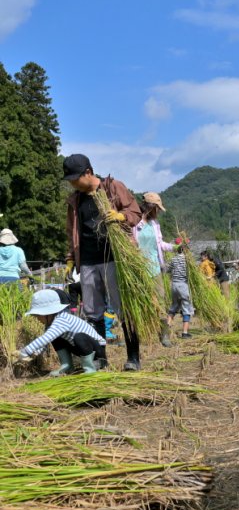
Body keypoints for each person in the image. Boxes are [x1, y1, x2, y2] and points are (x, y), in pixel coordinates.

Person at [62, 153, 142, 371]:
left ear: (88, 172)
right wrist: (71, 259)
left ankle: (133, 357)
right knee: (93, 312)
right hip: (87, 261)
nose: (72, 183)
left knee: (123, 309)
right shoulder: (75, 200)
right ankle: (101, 359)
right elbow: (72, 233)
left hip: (114, 257)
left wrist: (120, 217)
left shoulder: (113, 187)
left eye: (74, 178)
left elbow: (135, 212)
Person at [17, 289, 102, 376]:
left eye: (38, 315)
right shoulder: (52, 323)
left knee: (79, 337)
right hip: (81, 348)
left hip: (98, 350)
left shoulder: (62, 319)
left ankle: (90, 368)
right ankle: (67, 366)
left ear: (48, 313)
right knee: (56, 337)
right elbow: (45, 343)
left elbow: (44, 338)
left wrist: (25, 351)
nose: (37, 319)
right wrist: (35, 353)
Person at [132, 192, 174, 347]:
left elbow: (160, 244)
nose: (158, 212)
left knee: (160, 302)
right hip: (138, 270)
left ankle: (164, 336)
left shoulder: (155, 224)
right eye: (157, 208)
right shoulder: (134, 222)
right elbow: (130, 243)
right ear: (151, 207)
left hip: (155, 268)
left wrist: (175, 247)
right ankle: (140, 335)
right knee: (140, 302)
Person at [167, 239, 194, 339]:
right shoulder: (188, 260)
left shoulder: (173, 259)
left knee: (174, 306)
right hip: (183, 286)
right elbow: (193, 273)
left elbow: (168, 270)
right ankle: (185, 332)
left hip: (174, 285)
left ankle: (167, 328)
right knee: (186, 308)